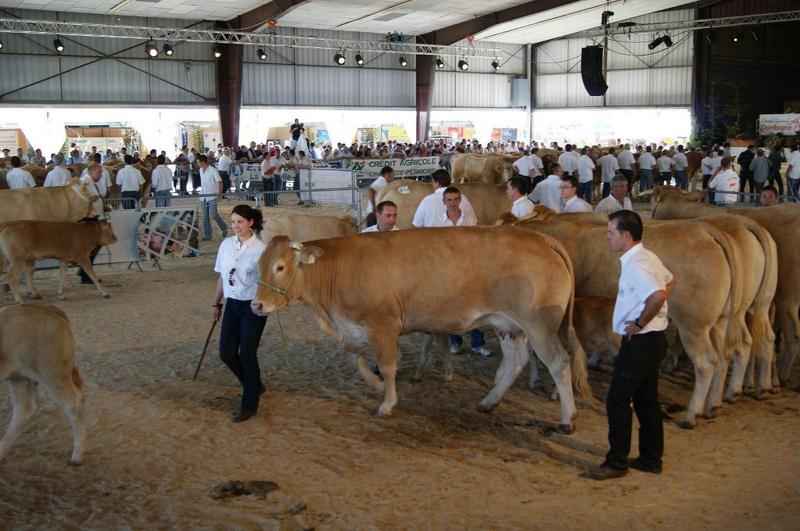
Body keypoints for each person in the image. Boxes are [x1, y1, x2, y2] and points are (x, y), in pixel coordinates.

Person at [585, 210, 675, 481]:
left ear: (626, 236)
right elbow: (670, 281)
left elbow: (659, 294)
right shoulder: (647, 256)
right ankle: (650, 458)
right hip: (654, 340)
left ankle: (616, 462)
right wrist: (650, 315)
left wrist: (639, 321)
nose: (607, 237)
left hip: (641, 341)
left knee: (617, 399)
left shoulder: (637, 264)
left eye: (611, 232)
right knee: (647, 400)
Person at [212, 204, 269, 423]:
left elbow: (266, 282)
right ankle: (253, 385)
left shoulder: (261, 249)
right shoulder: (225, 245)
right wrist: (215, 304)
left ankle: (249, 404)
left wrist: (261, 302)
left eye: (240, 222)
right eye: (233, 221)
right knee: (226, 353)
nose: (236, 226)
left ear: (251, 223)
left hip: (252, 307)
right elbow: (222, 277)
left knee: (247, 353)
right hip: (232, 304)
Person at [431, 187, 490, 357]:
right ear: (444, 202)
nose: (453, 203)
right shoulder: (437, 222)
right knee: (451, 307)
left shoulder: (470, 218)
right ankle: (455, 342)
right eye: (449, 200)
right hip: (447, 270)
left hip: (470, 268)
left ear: (460, 200)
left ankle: (478, 344)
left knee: (476, 306)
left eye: (456, 199)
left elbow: (477, 242)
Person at [411, 169, 476, 228]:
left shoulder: (427, 200)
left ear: (437, 183)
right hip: (459, 238)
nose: (432, 184)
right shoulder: (463, 198)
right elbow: (473, 223)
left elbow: (417, 224)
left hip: (433, 239)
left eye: (433, 182)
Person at [198, 154, 227, 240]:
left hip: (212, 196)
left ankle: (223, 227)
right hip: (203, 196)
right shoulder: (200, 170)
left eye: (198, 162)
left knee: (214, 215)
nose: (197, 164)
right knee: (205, 216)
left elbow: (220, 182)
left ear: (203, 162)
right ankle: (208, 235)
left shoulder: (213, 170)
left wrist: (219, 194)